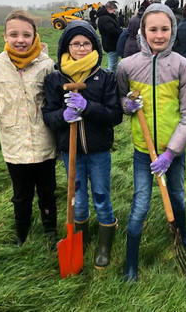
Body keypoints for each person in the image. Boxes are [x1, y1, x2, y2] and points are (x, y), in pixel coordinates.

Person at [116, 3, 186, 282]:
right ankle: (131, 262)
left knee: (176, 195)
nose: (159, 34)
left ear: (173, 30)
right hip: (144, 151)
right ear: (143, 31)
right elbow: (120, 101)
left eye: (165, 28)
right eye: (153, 29)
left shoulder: (182, 66)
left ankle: (184, 235)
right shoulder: (127, 66)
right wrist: (128, 105)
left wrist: (171, 152)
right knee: (140, 204)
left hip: (171, 152)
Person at [0, 10, 57, 248]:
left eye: (26, 35)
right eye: (14, 34)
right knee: (21, 194)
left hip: (44, 141)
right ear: (5, 36)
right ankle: (21, 232)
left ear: (35, 36)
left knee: (47, 191)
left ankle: (50, 231)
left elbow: (53, 100)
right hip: (14, 143)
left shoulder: (47, 65)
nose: (20, 40)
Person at [42, 20, 123, 269]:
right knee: (77, 196)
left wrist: (87, 107)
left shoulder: (105, 77)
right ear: (66, 46)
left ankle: (104, 243)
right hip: (70, 151)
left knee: (101, 194)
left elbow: (115, 115)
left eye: (86, 43)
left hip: (98, 150)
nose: (81, 48)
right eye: (75, 43)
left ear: (94, 45)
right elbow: (48, 115)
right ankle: (80, 238)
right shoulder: (55, 78)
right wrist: (63, 116)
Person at [97, 1, 123, 73]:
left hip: (111, 44)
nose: (115, 12)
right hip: (111, 45)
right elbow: (112, 31)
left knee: (114, 65)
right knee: (112, 66)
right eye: (114, 10)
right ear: (109, 9)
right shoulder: (105, 19)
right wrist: (121, 32)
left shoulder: (107, 17)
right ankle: (110, 80)